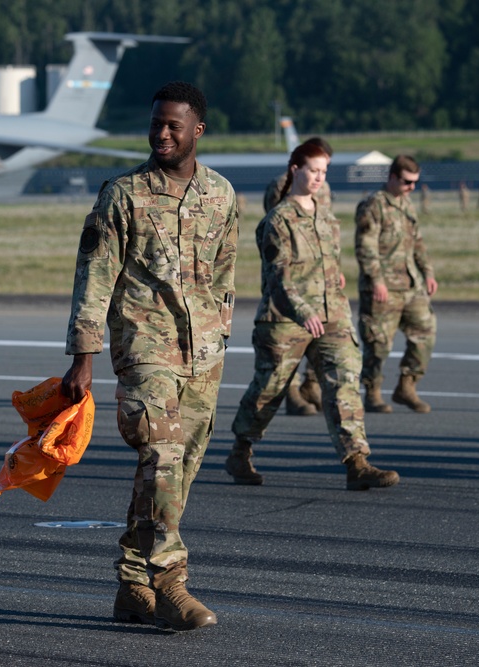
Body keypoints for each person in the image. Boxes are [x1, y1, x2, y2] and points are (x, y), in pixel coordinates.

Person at [62, 81, 237, 632]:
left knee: (174, 473)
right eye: (156, 123)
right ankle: (170, 583)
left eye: (173, 126)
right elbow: (95, 276)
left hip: (204, 354)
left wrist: (221, 336)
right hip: (144, 349)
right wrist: (83, 357)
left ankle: (132, 584)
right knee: (162, 455)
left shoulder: (222, 194)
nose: (162, 133)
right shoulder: (124, 194)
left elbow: (225, 274)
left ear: (197, 131)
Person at [226, 142, 400, 491]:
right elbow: (279, 277)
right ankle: (240, 450)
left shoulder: (327, 216)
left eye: (324, 172)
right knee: (270, 390)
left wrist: (334, 276)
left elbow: (326, 261)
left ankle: (357, 462)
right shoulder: (277, 221)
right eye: (313, 171)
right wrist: (303, 312)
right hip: (286, 318)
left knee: (344, 381)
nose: (319, 178)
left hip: (331, 314)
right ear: (295, 170)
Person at [355, 155, 437, 414]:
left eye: (415, 183)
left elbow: (418, 242)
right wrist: (377, 281)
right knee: (378, 343)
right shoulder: (373, 206)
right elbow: (365, 248)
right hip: (383, 289)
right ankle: (372, 392)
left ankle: (407, 386)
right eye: (406, 182)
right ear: (391, 177)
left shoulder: (407, 204)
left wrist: (428, 273)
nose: (411, 187)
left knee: (425, 332)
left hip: (411, 285)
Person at [262, 137, 336, 417]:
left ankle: (310, 385)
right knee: (286, 340)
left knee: (321, 332)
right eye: (317, 167)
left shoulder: (323, 188)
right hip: (291, 273)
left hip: (317, 277)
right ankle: (291, 393)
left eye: (325, 168)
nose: (321, 175)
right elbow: (277, 232)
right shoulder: (281, 187)